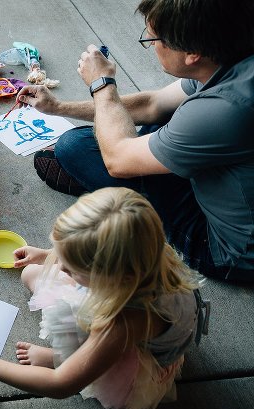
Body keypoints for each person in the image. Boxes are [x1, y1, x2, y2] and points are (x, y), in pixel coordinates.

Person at [17, 0, 254, 284]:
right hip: (226, 183)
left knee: (74, 147)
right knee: (162, 116)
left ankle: (122, 193)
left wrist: (102, 84)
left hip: (226, 250)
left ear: (192, 53)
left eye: (153, 39)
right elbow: (154, 105)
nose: (151, 45)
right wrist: (58, 107)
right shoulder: (230, 56)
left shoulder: (223, 109)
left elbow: (117, 159)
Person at [0, 188, 209, 409]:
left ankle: (62, 358)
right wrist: (46, 255)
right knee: (31, 272)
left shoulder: (123, 323)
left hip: (138, 358)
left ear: (111, 276)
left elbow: (61, 384)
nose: (60, 264)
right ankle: (72, 349)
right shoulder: (141, 246)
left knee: (85, 358)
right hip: (122, 306)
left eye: (71, 267)